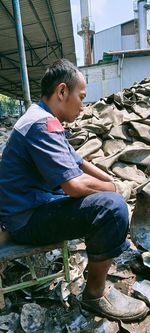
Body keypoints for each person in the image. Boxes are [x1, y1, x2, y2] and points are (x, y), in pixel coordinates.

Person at [0, 59, 148, 321]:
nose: (82, 106)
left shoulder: (42, 118)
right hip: (25, 220)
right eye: (80, 97)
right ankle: (94, 295)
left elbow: (81, 162)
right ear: (61, 92)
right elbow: (74, 185)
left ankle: (110, 248)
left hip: (30, 207)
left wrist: (116, 181)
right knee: (111, 209)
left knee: (108, 199)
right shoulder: (41, 125)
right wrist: (114, 189)